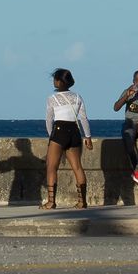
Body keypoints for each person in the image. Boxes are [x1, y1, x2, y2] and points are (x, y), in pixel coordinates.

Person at [41, 68, 93, 210]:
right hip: (75, 132)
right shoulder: (77, 97)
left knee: (51, 167)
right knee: (77, 167)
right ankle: (82, 202)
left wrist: (52, 137)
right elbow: (83, 118)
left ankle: (51, 202)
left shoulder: (52, 98)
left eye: (55, 79)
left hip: (59, 131)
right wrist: (87, 136)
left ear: (59, 81)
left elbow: (49, 120)